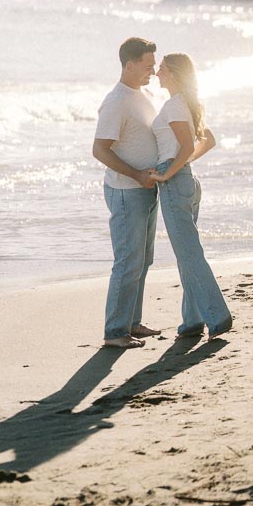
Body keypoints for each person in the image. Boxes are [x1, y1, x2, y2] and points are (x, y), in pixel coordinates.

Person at [148, 52, 233, 340]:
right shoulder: (186, 103)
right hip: (186, 180)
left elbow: (185, 146)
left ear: (172, 72)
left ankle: (217, 316)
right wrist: (179, 166)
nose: (157, 73)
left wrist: (166, 173)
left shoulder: (174, 105)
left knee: (189, 254)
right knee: (187, 254)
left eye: (161, 69)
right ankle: (192, 321)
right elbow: (207, 141)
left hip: (176, 183)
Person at [92, 37, 162, 349]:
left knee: (143, 259)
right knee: (127, 261)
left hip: (146, 189)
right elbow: (99, 149)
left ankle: (132, 321)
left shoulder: (142, 93)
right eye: (148, 65)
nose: (153, 70)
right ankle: (115, 332)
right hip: (126, 191)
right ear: (129, 65)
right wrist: (135, 174)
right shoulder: (116, 100)